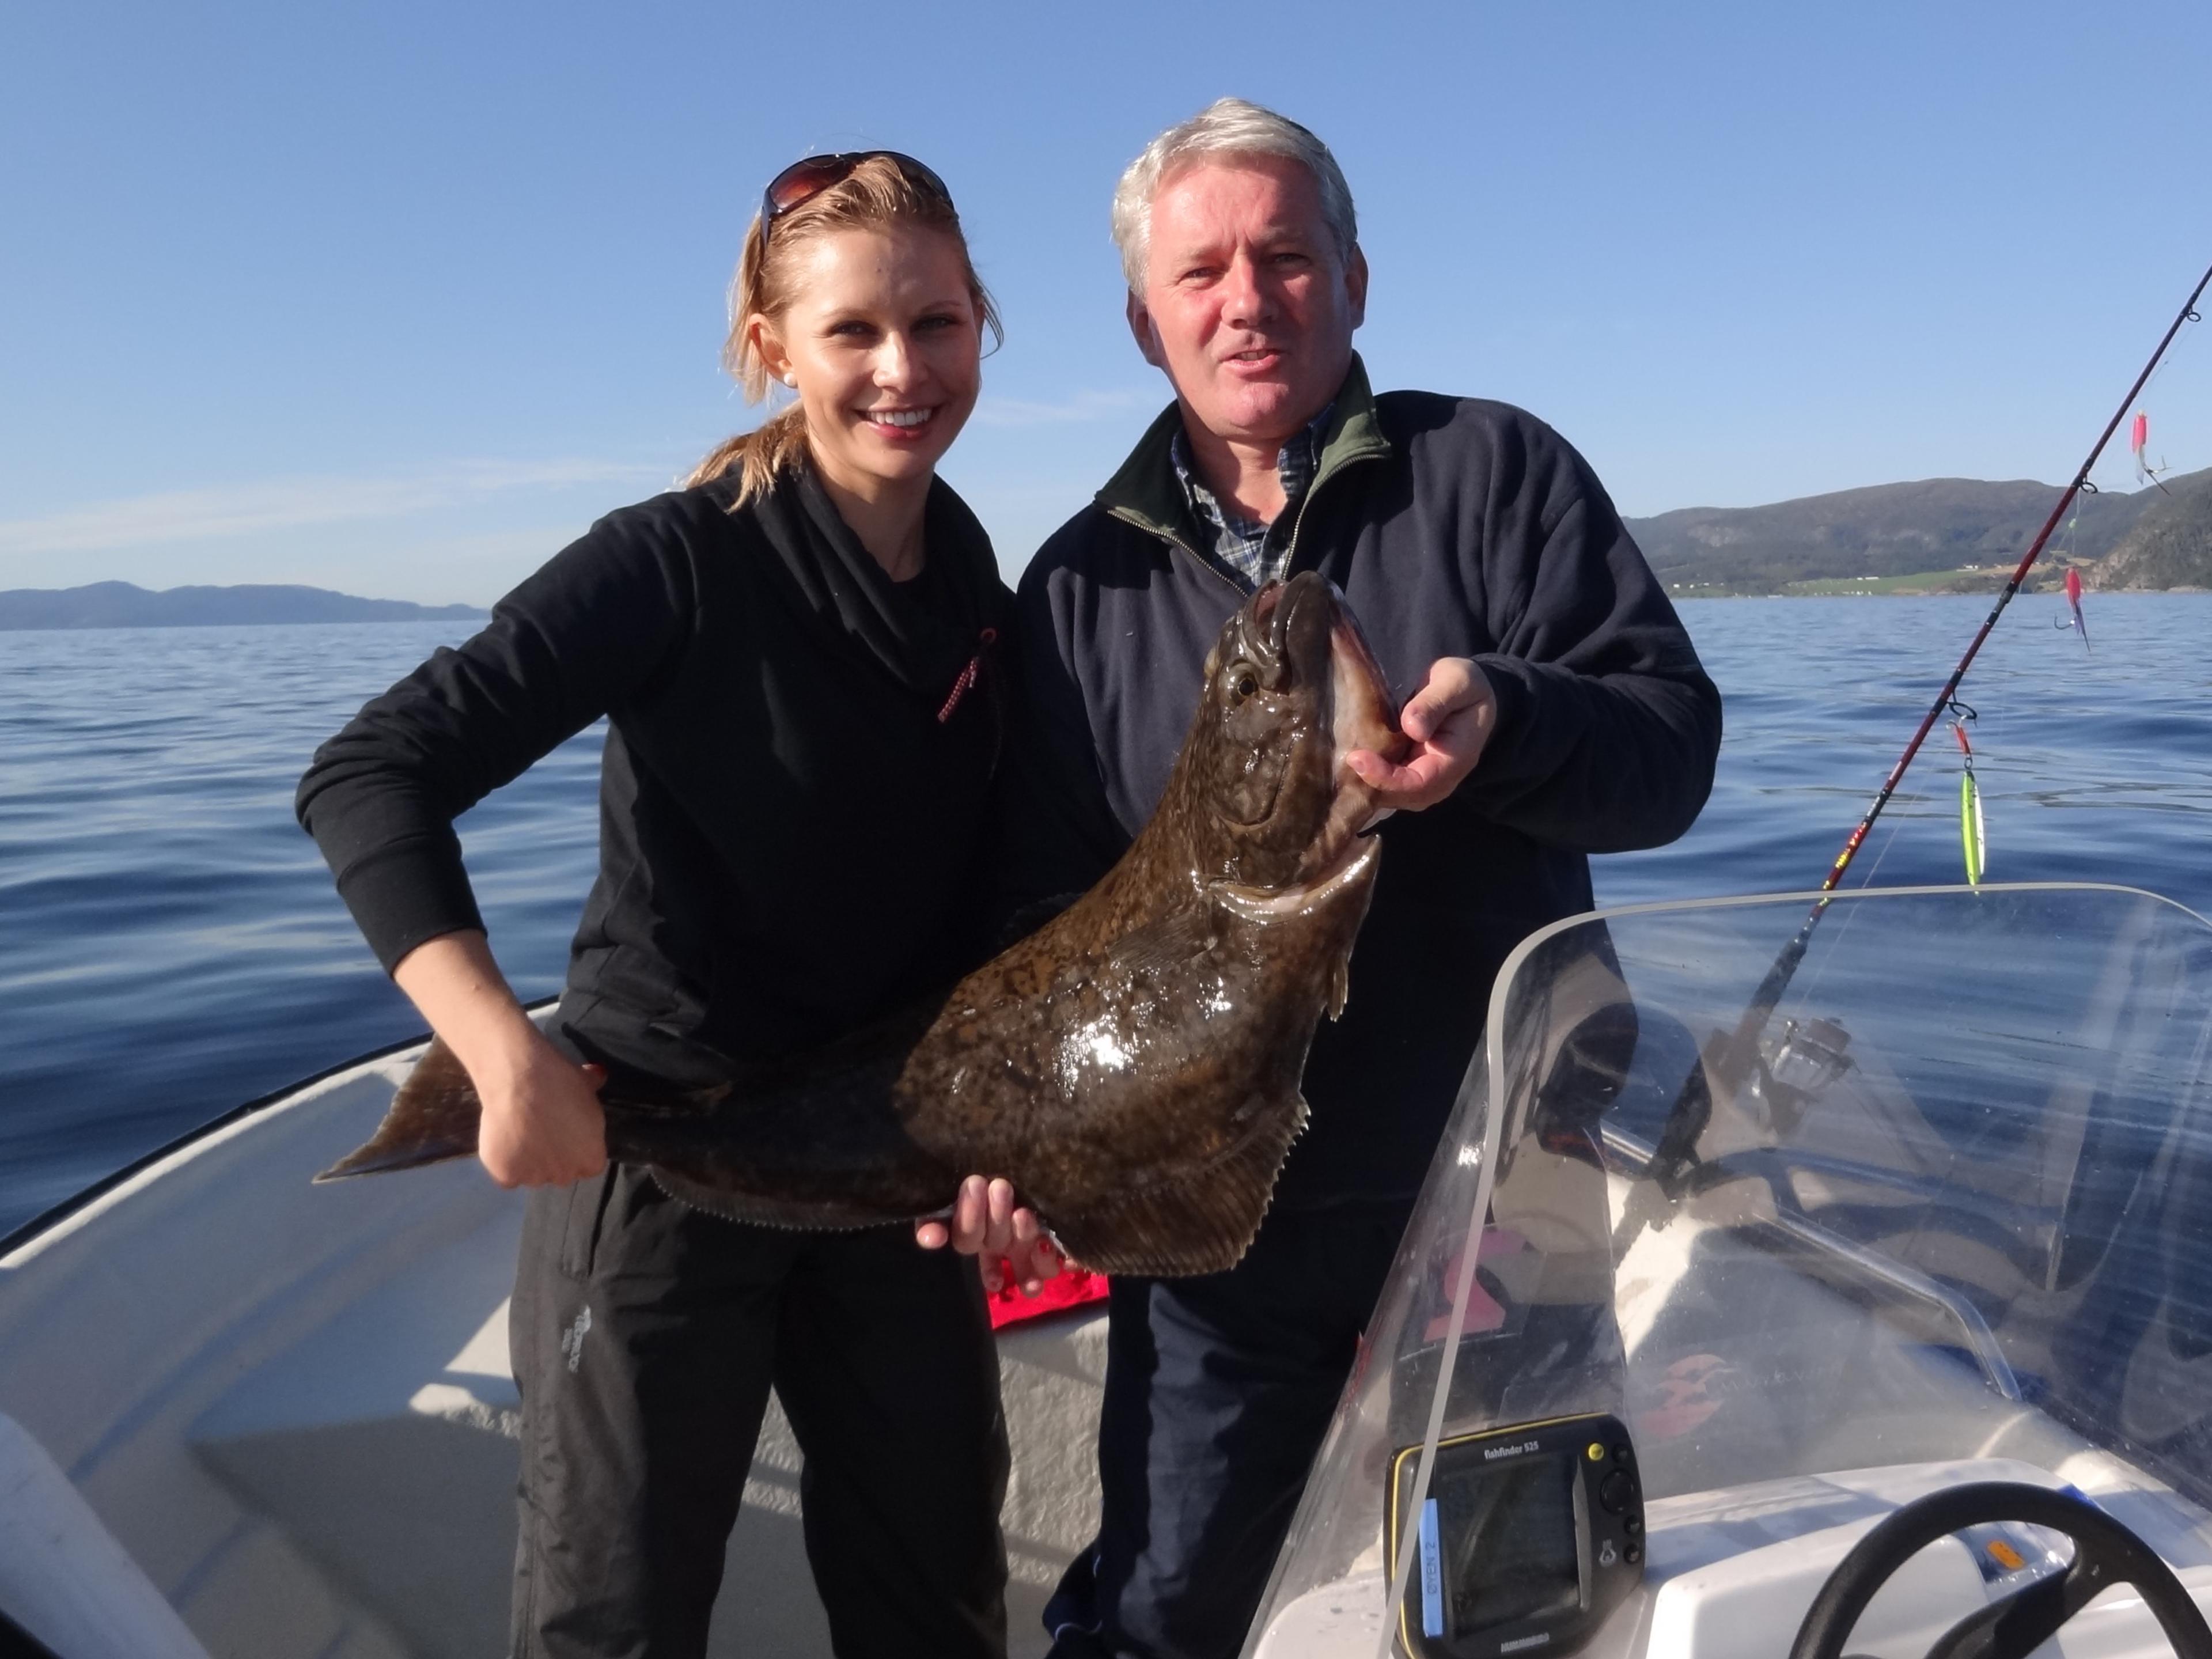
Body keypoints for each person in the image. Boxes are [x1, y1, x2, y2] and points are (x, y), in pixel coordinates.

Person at [298, 151, 1051, 1659]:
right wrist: (507, 1058)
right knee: (614, 1619)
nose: (903, 370)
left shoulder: (976, 585)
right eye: (854, 331)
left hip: (887, 1169)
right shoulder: (677, 559)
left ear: (983, 328)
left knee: (943, 1606)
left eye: (939, 324)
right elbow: (372, 773)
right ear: (773, 347)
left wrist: (1020, 1144)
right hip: (650, 1153)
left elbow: (1000, 904)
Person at [1010, 100, 1725, 1659]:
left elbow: (1673, 750)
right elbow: (1041, 917)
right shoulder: (1078, 586)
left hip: (1501, 1194)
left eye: (1285, 257)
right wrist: (1041, 1148)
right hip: (1216, 1240)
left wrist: (1514, 719)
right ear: (1145, 322)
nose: (1247, 300)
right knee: (1171, 1607)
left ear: (1354, 278)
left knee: (1520, 1615)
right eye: (1200, 274)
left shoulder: (1495, 474)